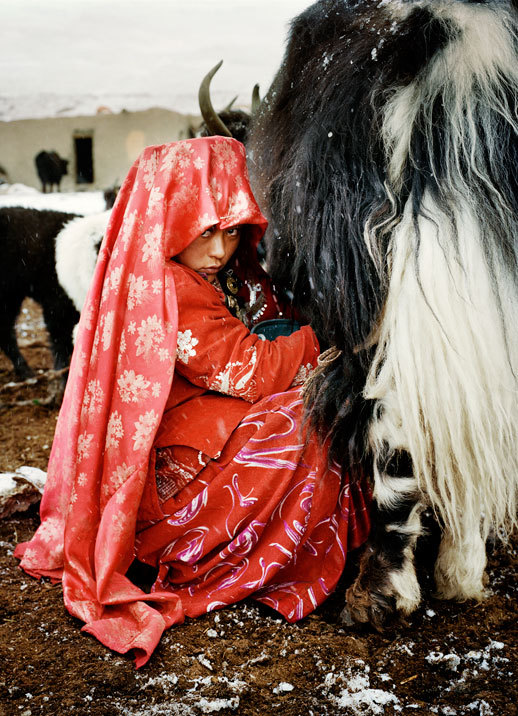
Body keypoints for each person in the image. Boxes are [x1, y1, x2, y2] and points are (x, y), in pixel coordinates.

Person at [15, 137, 371, 667]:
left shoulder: (183, 273)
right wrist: (320, 338)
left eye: (233, 231)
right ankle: (229, 555)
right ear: (170, 218)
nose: (221, 250)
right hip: (176, 496)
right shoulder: (170, 288)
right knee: (303, 418)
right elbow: (250, 369)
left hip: (190, 448)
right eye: (207, 231)